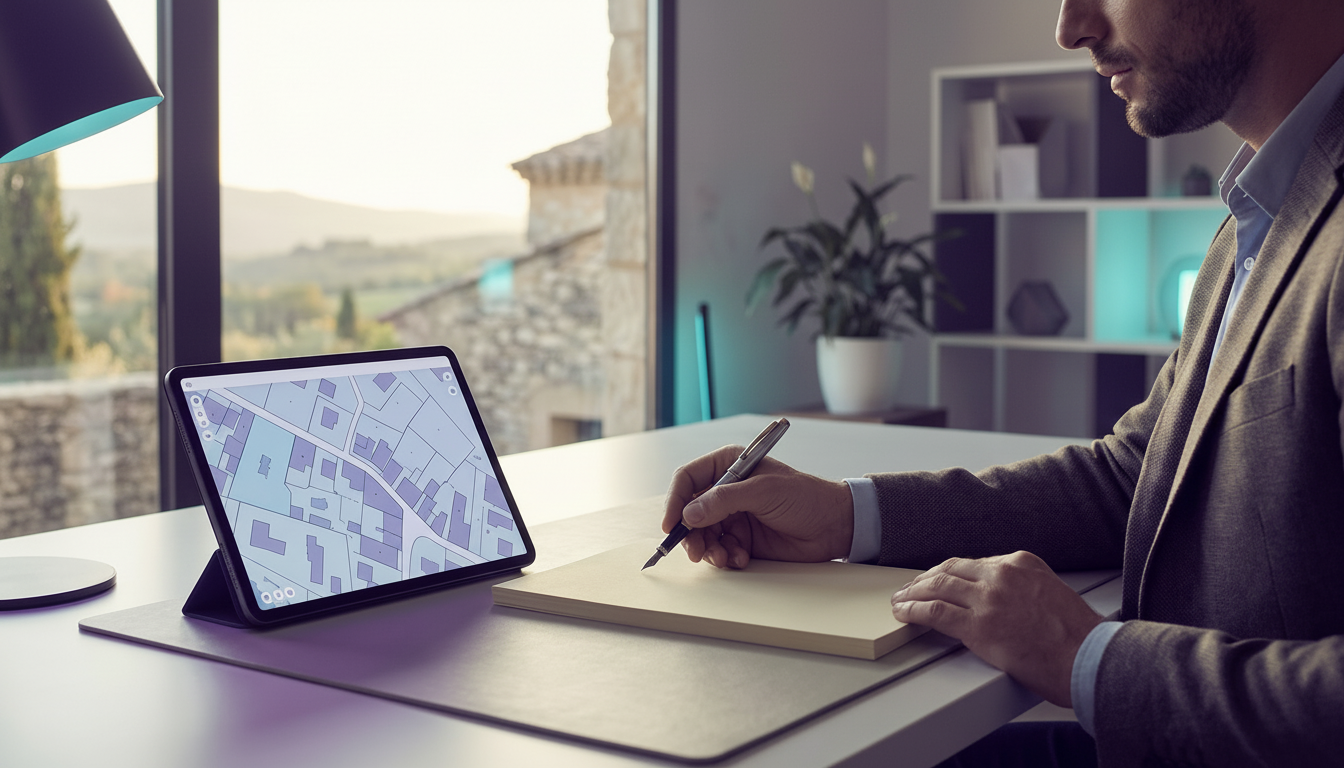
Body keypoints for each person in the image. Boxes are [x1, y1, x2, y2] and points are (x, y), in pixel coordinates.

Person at [661, 0, 1344, 765]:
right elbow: (1132, 474)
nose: (1070, 26)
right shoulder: (1257, 213)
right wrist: (845, 517)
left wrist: (1088, 657)